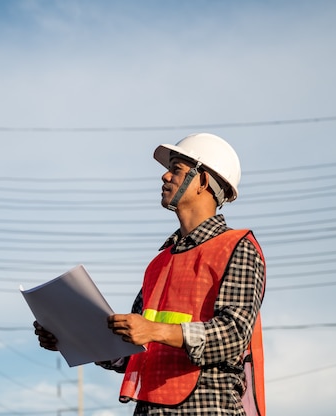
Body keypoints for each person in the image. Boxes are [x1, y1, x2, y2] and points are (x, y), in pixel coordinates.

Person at [34, 133, 266, 416]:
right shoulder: (160, 262)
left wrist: (155, 330)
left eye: (177, 170)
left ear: (203, 181)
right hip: (150, 407)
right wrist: (70, 338)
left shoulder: (236, 247)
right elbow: (132, 351)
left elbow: (234, 333)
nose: (165, 177)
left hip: (207, 408)